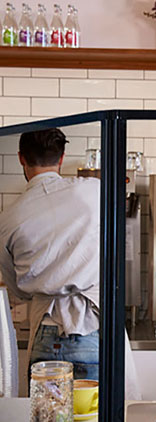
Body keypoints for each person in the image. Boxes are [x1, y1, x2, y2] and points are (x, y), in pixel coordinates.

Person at [0, 128, 101, 381]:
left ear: (21, 158)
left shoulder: (8, 219)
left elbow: (19, 290)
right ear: (62, 157)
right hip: (91, 329)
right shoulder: (96, 192)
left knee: (46, 419)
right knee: (94, 418)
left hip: (45, 330)